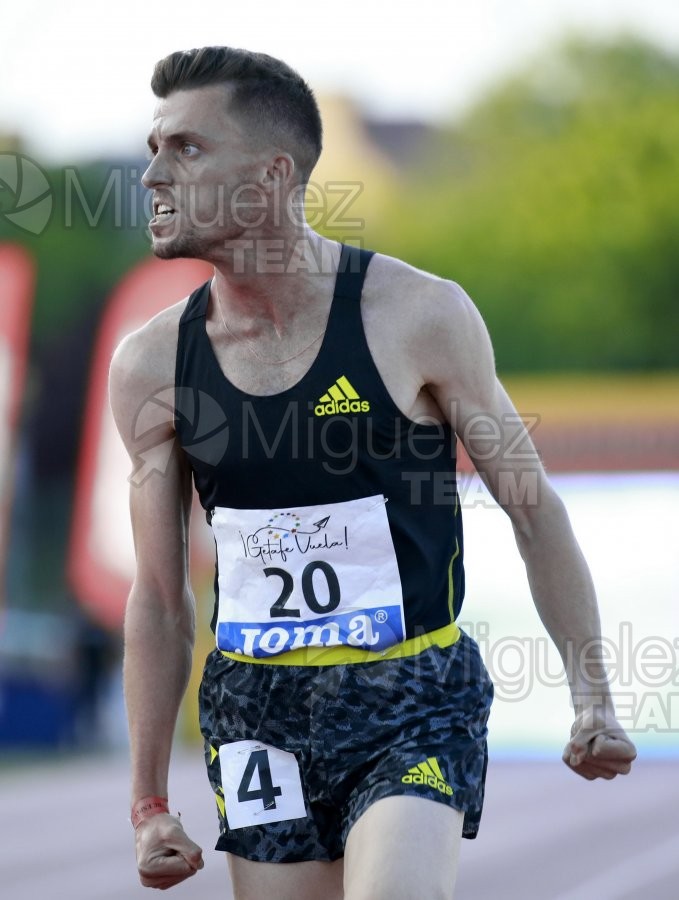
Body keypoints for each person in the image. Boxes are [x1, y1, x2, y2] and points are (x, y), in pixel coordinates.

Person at [109, 46, 637, 899]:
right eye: (152, 148)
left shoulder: (417, 315)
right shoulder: (151, 366)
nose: (154, 175)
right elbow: (160, 601)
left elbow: (532, 509)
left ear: (273, 174)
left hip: (411, 694)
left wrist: (592, 698)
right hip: (257, 713)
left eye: (187, 149)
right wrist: (148, 804)